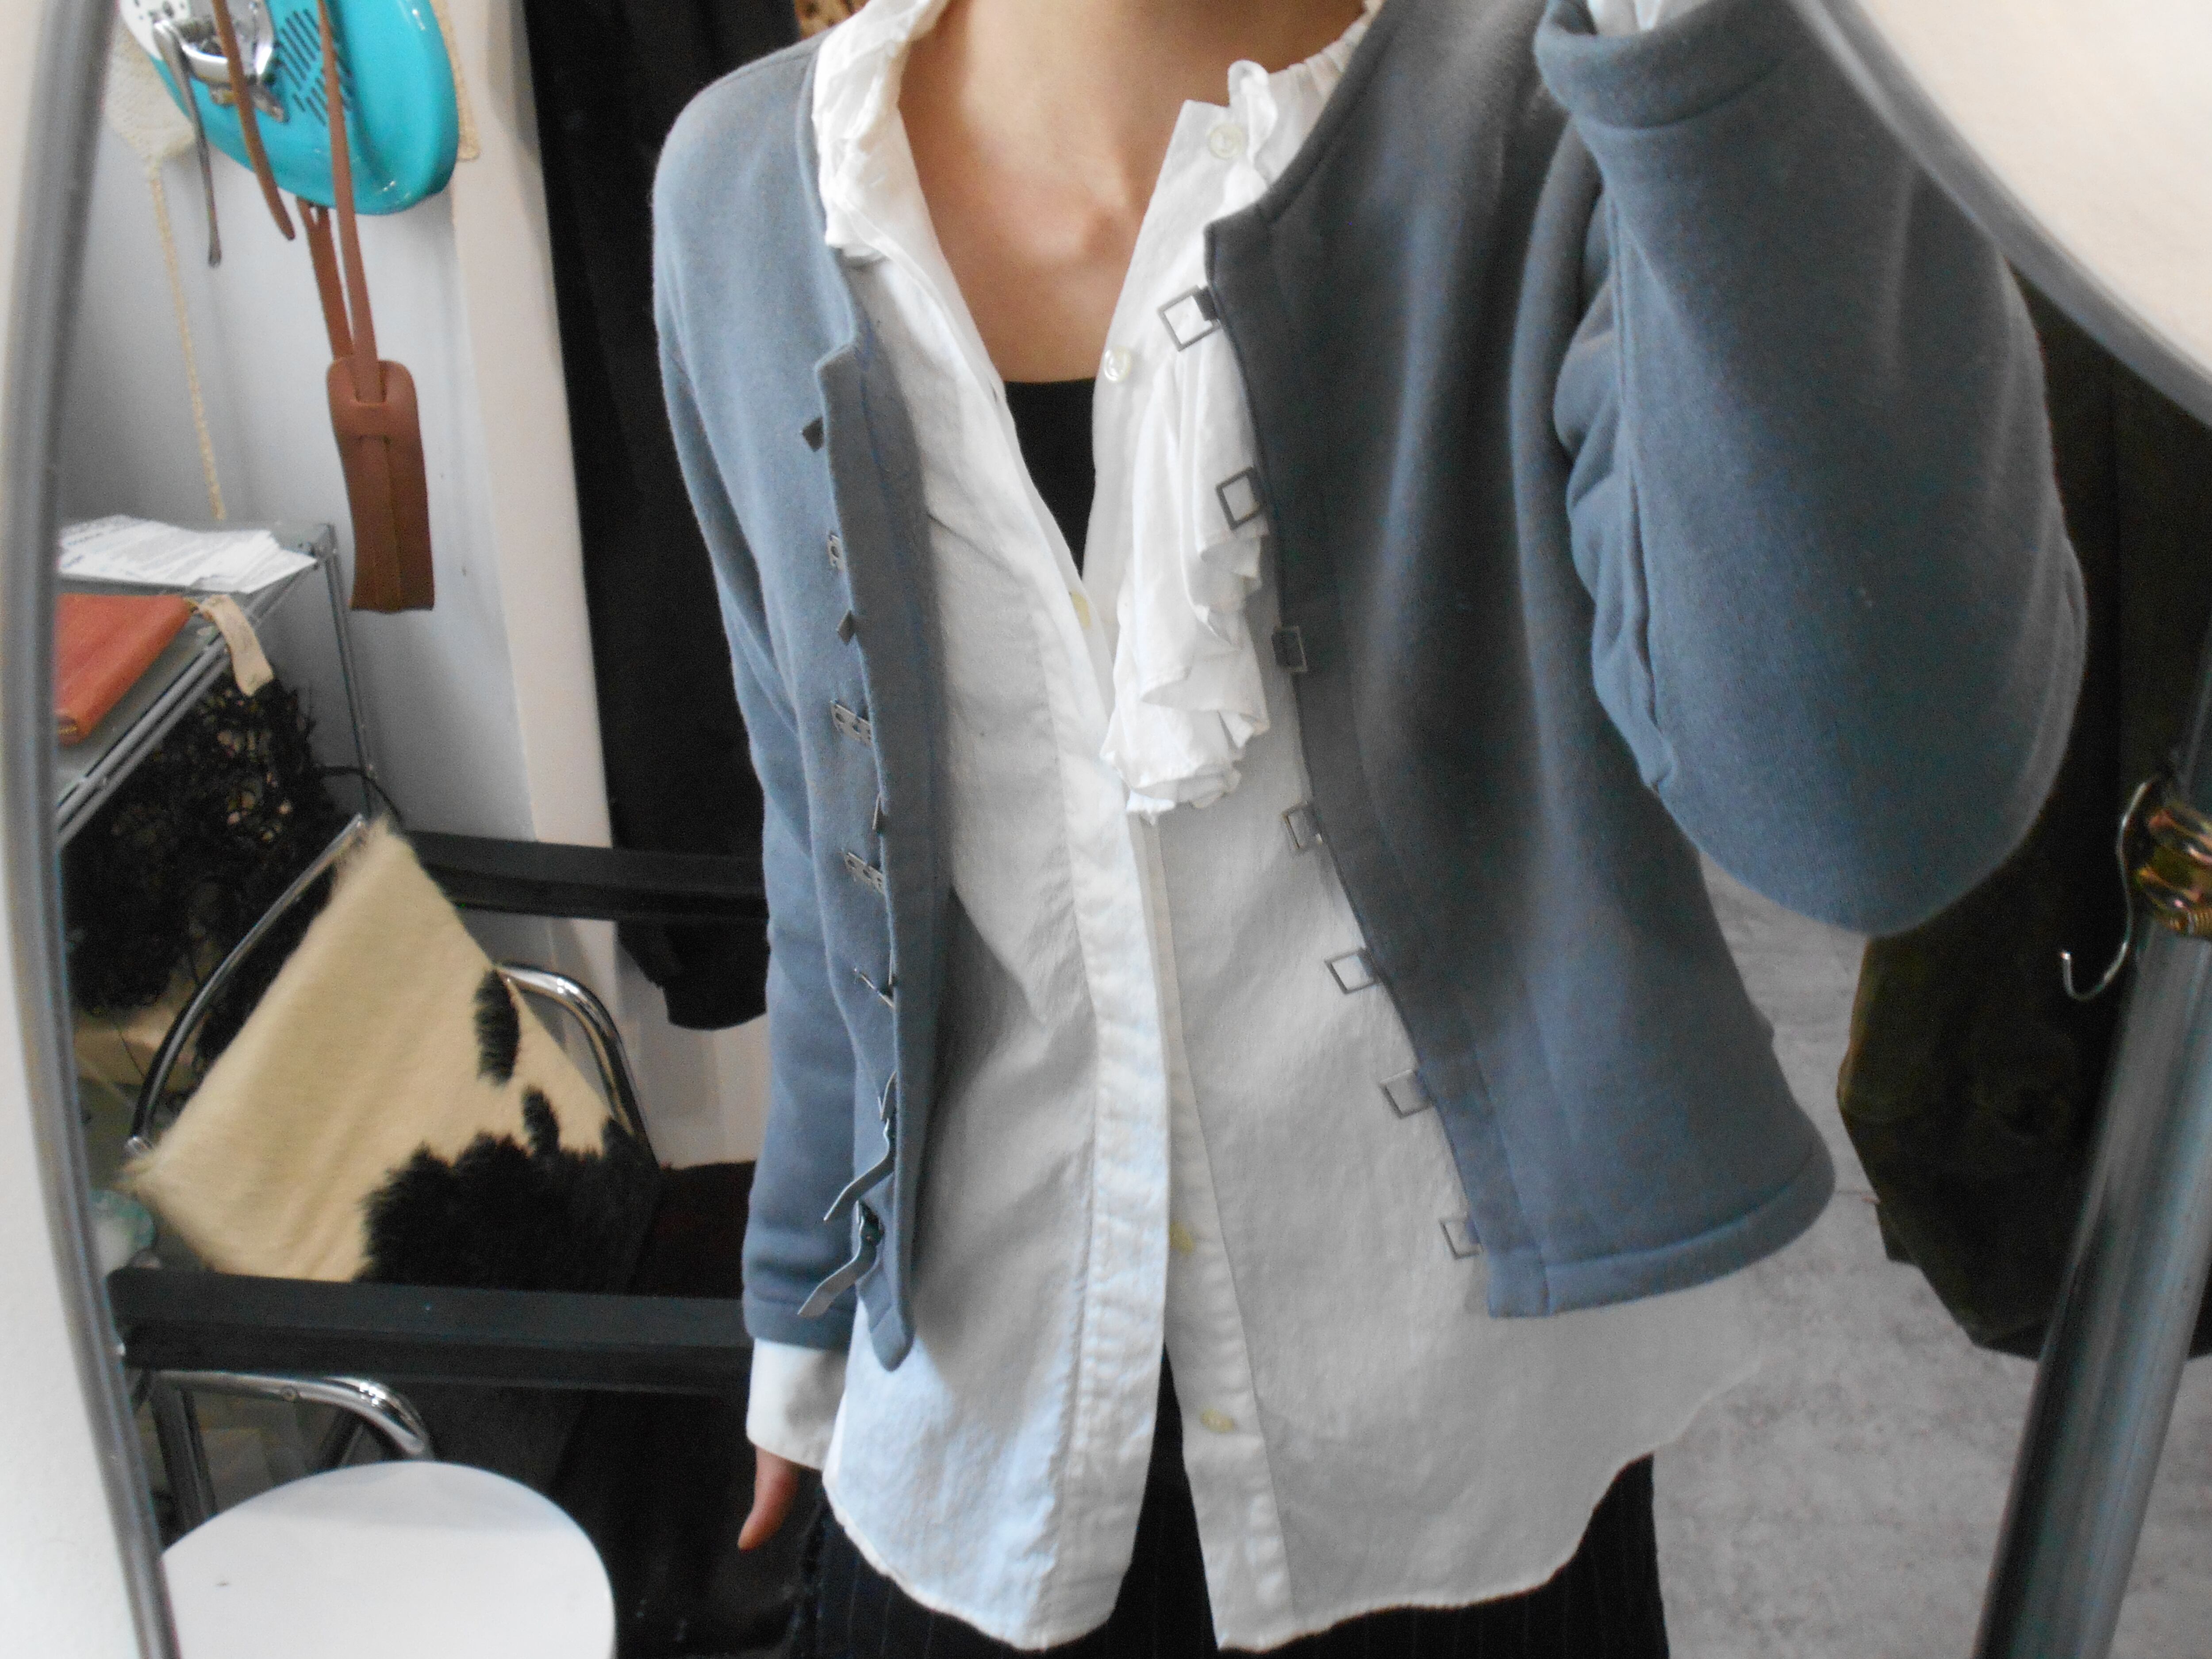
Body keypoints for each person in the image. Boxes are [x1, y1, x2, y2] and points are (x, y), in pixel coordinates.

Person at [651, 0, 2084, 1651]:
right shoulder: (748, 190)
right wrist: (804, 1303)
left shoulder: (1568, 114)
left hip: (1465, 1478)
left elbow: (1872, 815)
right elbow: (822, 830)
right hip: (962, 1460)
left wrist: (1719, 63)